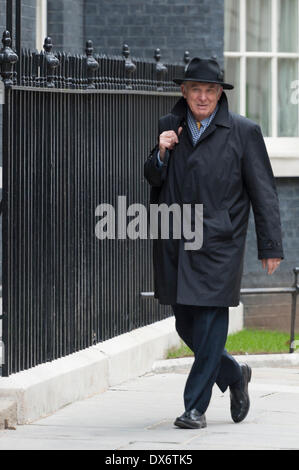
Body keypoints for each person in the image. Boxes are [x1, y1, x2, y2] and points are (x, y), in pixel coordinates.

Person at [144, 57, 284, 429]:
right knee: (185, 326)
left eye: (210, 90)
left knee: (208, 322)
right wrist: (160, 152)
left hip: (220, 244)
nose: (203, 97)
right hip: (176, 242)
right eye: (196, 90)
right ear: (184, 92)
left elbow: (264, 192)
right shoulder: (169, 128)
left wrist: (270, 245)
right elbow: (153, 179)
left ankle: (195, 408)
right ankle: (235, 374)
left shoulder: (243, 132)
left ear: (219, 93)